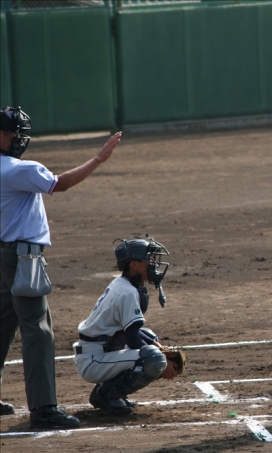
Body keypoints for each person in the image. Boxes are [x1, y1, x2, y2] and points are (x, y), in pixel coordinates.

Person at [0, 105, 122, 429]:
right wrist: (98, 159)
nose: (19, 139)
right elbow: (60, 184)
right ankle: (43, 409)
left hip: (2, 258)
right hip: (20, 259)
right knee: (38, 330)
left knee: (2, 325)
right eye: (14, 133)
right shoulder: (17, 170)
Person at [73, 235, 177, 415]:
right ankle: (107, 395)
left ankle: (110, 390)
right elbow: (133, 339)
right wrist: (163, 358)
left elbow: (132, 331)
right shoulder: (127, 292)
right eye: (149, 259)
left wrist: (157, 345)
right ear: (134, 265)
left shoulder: (123, 284)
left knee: (150, 337)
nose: (153, 263)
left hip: (101, 350)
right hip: (94, 360)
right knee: (154, 359)